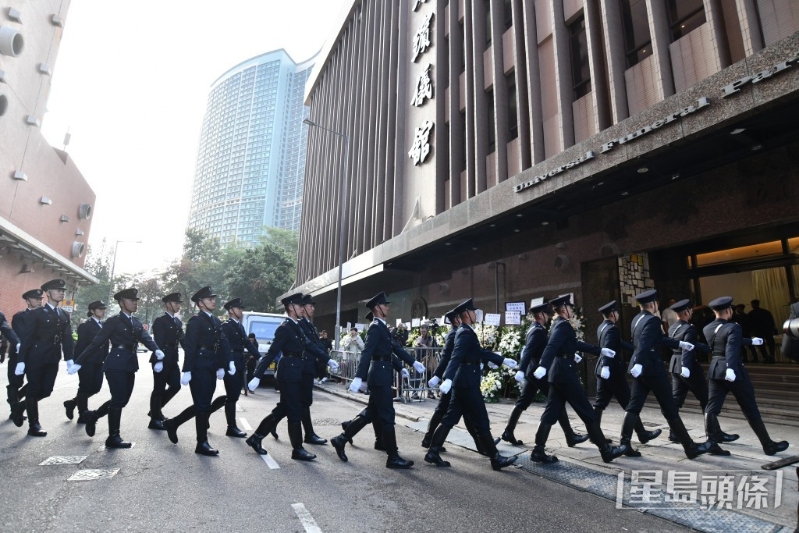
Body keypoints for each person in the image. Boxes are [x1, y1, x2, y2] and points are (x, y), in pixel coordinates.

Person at [330, 292, 425, 468]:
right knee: (388, 417)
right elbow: (367, 352)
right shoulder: (375, 327)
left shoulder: (381, 326)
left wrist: (408, 364)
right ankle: (393, 457)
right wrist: (358, 376)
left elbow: (391, 350)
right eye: (385, 305)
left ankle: (341, 439)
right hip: (379, 376)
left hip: (382, 374)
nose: (388, 307)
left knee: (371, 413)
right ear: (377, 308)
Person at [527, 295, 626, 464]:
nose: (572, 310)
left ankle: (538, 450)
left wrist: (600, 350)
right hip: (565, 373)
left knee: (551, 412)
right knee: (586, 410)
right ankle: (606, 450)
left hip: (557, 373)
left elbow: (575, 344)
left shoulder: (558, 325)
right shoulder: (563, 325)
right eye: (570, 308)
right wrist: (543, 364)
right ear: (564, 309)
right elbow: (552, 346)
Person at [423, 298, 519, 471]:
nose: (476, 314)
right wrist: (448, 378)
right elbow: (456, 356)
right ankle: (495, 458)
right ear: (466, 314)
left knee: (450, 418)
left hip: (463, 381)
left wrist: (502, 359)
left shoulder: (465, 331)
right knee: (481, 419)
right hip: (467, 382)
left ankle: (433, 451)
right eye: (474, 311)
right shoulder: (465, 333)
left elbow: (479, 352)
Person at [620, 289, 711, 459]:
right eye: (657, 303)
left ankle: (624, 444)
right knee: (669, 407)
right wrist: (640, 362)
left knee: (634, 405)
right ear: (653, 304)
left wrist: (680, 343)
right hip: (651, 368)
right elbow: (646, 342)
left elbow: (657, 339)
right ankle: (689, 447)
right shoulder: (653, 320)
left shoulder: (636, 319)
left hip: (641, 368)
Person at [245, 293, 337, 461]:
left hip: (296, 372)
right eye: (300, 305)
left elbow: (309, 345)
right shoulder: (284, 328)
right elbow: (272, 352)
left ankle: (256, 438)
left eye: (303, 305)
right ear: (291, 307)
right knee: (293, 412)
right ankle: (298, 449)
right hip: (288, 373)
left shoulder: (297, 326)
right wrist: (257, 375)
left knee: (284, 409)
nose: (303, 308)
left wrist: (328, 359)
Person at [71, 288, 164, 448]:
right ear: (121, 303)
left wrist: (156, 349)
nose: (135, 303)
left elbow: (145, 338)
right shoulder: (114, 321)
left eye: (136, 300)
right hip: (115, 363)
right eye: (131, 300)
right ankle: (113, 437)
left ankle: (93, 415)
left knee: (123, 400)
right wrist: (79, 361)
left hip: (129, 363)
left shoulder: (136, 322)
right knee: (119, 399)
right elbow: (97, 342)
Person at [704, 296, 788, 455]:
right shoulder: (733, 327)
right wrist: (730, 367)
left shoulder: (707, 328)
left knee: (712, 408)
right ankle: (768, 445)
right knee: (750, 408)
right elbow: (731, 348)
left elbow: (727, 341)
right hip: (733, 370)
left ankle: (711, 443)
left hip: (715, 370)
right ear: (729, 310)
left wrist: (751, 342)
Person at [500, 299, 589, 448]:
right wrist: (521, 369)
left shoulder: (533, 328)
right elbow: (529, 351)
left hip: (532, 372)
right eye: (546, 314)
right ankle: (569, 436)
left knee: (523, 401)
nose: (548, 316)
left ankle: (509, 431)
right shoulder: (538, 331)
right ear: (540, 315)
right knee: (556, 403)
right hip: (538, 373)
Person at [162, 286, 232, 456]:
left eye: (213, 298)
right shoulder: (195, 321)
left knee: (204, 405)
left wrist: (223, 364)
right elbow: (191, 346)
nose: (213, 301)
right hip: (199, 366)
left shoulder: (215, 321)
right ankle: (201, 443)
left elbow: (221, 344)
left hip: (211, 365)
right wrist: (187, 370)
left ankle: (173, 423)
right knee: (202, 406)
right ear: (200, 303)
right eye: (209, 299)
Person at [666, 299, 737, 449]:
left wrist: (705, 348)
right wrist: (687, 365)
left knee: (676, 401)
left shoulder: (672, 327)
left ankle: (674, 432)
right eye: (690, 310)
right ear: (686, 312)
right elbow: (688, 348)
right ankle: (714, 433)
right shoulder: (690, 328)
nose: (691, 312)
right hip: (689, 367)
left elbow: (687, 344)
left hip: (675, 365)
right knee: (706, 400)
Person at [592, 300, 661, 452]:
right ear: (612, 314)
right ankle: (638, 436)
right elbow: (609, 346)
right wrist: (607, 365)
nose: (617, 315)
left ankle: (594, 434)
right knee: (630, 404)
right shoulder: (612, 329)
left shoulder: (602, 327)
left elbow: (619, 343)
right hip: (613, 372)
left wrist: (635, 349)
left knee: (600, 403)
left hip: (603, 371)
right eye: (616, 312)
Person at [423, 309, 491, 455]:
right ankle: (429, 439)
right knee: (446, 412)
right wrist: (438, 376)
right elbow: (448, 357)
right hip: (455, 378)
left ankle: (481, 444)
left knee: (459, 414)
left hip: (456, 377)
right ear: (456, 319)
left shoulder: (459, 331)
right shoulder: (456, 333)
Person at [12, 279, 73, 437]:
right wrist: (21, 360)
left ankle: (20, 407)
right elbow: (28, 337)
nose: (61, 292)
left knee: (46, 390)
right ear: (48, 293)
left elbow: (67, 338)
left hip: (53, 356)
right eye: (57, 290)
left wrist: (70, 359)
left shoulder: (64, 314)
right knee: (33, 389)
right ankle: (34, 424)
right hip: (36, 355)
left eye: (63, 290)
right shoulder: (37, 313)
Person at [63, 300, 109, 424]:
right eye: (99, 309)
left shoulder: (104, 325)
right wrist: (78, 362)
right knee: (85, 387)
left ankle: (72, 403)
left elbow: (106, 345)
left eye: (103, 309)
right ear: (92, 311)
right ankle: (83, 414)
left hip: (99, 361)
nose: (102, 311)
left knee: (96, 387)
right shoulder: (85, 325)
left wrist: (106, 359)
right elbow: (80, 345)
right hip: (87, 361)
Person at [219, 298, 260, 437]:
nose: (241, 311)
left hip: (240, 363)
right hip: (231, 364)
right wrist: (226, 364)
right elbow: (223, 347)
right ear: (231, 310)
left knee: (234, 395)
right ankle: (231, 427)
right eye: (239, 308)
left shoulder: (240, 326)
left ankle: (208, 414)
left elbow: (247, 344)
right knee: (232, 396)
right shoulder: (226, 326)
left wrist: (259, 356)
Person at [297, 294, 331, 444]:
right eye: (310, 306)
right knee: (303, 402)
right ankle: (309, 434)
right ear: (303, 307)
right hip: (303, 367)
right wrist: (327, 358)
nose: (313, 308)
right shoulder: (300, 324)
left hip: (309, 367)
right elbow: (309, 345)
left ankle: (268, 427)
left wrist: (327, 358)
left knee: (301, 402)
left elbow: (317, 344)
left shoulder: (310, 324)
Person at [148, 292, 185, 430]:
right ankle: (154, 420)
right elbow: (158, 341)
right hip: (162, 358)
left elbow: (183, 339)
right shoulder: (160, 320)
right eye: (176, 303)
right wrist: (159, 360)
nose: (178, 306)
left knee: (176, 386)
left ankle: (155, 410)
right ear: (168, 304)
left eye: (179, 303)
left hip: (173, 358)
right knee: (158, 389)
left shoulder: (177, 321)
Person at [7, 289, 42, 419]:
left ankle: (15, 401)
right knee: (15, 382)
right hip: (19, 355)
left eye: (40, 299)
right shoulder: (19, 316)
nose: (39, 301)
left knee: (36, 383)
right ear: (27, 301)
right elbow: (22, 336)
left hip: (36, 356)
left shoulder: (44, 316)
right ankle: (14, 410)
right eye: (35, 298)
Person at [748, 299, 777, 364]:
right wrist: (772, 329)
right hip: (767, 330)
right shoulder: (766, 312)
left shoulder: (751, 313)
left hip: (759, 331)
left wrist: (752, 331)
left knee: (761, 345)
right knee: (770, 344)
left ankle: (765, 357)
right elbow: (771, 321)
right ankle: (771, 356)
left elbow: (750, 324)